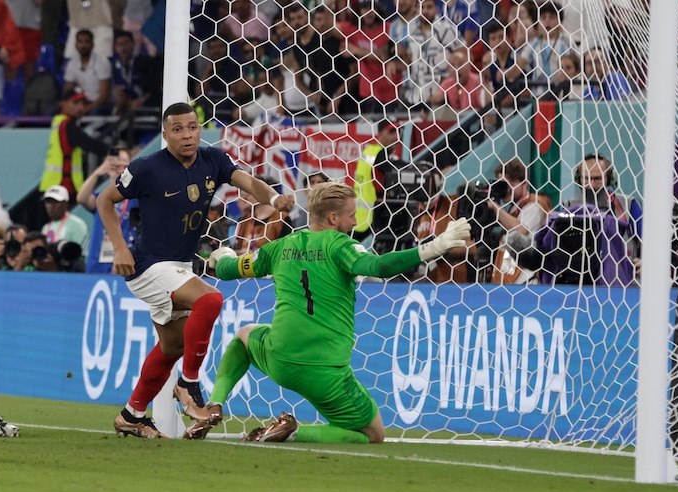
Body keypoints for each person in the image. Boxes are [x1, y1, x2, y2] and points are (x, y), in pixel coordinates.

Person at [195, 181, 471, 442]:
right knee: (374, 434)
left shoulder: (278, 247)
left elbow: (232, 270)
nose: (354, 221)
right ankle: (292, 434)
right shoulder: (342, 247)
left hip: (280, 360)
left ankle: (215, 402)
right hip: (325, 373)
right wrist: (433, 248)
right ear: (333, 219)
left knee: (245, 334)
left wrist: (221, 258)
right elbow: (379, 267)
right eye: (351, 215)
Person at [96, 101, 295, 439]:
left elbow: (248, 182)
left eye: (192, 127)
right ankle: (189, 386)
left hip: (180, 266)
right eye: (178, 129)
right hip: (148, 266)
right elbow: (104, 199)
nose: (187, 135)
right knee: (210, 300)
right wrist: (120, 248)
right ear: (165, 133)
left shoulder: (213, 160)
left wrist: (274, 200)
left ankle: (131, 414)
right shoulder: (146, 168)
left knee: (172, 346)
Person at [535, 153, 642, 286]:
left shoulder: (629, 206)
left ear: (609, 179)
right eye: (587, 179)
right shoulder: (567, 209)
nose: (591, 185)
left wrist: (646, 262)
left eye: (597, 179)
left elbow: (649, 243)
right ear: (578, 179)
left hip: (621, 285)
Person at [38, 87, 112, 206]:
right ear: (63, 104)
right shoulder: (68, 126)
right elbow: (91, 145)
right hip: (63, 186)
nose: (81, 108)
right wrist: (118, 152)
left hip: (54, 185)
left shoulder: (58, 122)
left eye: (83, 103)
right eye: (75, 103)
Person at [486, 158, 552, 284]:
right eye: (503, 184)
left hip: (529, 280)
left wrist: (494, 206)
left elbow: (520, 229)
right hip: (512, 279)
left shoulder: (535, 205)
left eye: (512, 183)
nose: (507, 188)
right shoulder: (511, 210)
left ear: (525, 183)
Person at [76, 149, 135, 274]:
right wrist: (98, 173)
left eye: (123, 163)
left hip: (123, 263)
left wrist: (126, 175)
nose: (119, 167)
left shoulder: (135, 198)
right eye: (115, 163)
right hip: (97, 263)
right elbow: (82, 198)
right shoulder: (101, 199)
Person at [351, 120, 400, 249]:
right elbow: (395, 172)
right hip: (372, 217)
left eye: (398, 131)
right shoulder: (381, 154)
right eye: (391, 132)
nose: (396, 136)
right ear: (380, 133)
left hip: (357, 215)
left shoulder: (369, 151)